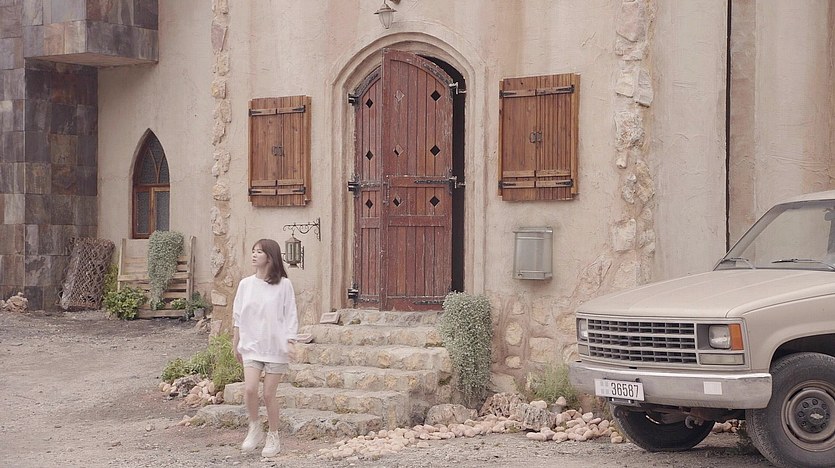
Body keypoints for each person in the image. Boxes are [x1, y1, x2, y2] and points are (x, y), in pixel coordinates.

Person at [232, 238, 298, 457]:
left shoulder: (284, 285)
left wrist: (290, 341)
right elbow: (238, 316)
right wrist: (236, 342)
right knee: (250, 389)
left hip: (276, 348)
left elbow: (291, 314)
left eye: (259, 252)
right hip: (251, 344)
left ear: (270, 257)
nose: (254, 255)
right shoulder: (245, 284)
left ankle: (273, 435)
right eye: (253, 251)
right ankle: (254, 427)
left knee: (269, 394)